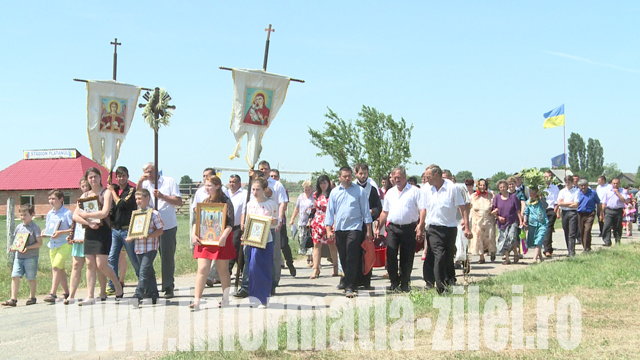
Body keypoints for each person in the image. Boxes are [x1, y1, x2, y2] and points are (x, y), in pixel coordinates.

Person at [73, 167, 123, 305]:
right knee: (90, 264)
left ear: (100, 177)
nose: (93, 180)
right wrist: (88, 223)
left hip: (103, 231)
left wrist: (87, 215)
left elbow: (104, 212)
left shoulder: (106, 193)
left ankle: (116, 284)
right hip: (90, 231)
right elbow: (75, 215)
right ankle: (90, 295)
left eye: (95, 176)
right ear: (87, 179)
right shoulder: (85, 196)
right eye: (90, 177)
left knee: (101, 264)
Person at [324, 166, 373, 297]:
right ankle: (350, 281)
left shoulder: (359, 191)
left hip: (355, 228)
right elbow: (329, 212)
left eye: (349, 176)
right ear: (339, 177)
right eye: (345, 176)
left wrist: (368, 230)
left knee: (352, 255)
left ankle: (350, 286)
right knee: (344, 256)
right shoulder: (334, 192)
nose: (347, 178)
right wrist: (328, 229)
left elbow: (366, 212)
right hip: (340, 229)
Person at [421, 165, 470, 293]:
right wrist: (420, 225)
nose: (426, 179)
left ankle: (450, 281)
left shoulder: (452, 188)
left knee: (448, 256)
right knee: (439, 255)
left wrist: (467, 226)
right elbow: (423, 209)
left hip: (449, 228)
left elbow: (462, 207)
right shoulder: (426, 189)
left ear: (437, 175)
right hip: (433, 228)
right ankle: (440, 287)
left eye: (428, 177)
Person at [190, 175, 236, 310]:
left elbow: (230, 223)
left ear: (217, 186)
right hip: (205, 240)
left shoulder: (226, 201)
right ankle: (197, 300)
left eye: (209, 185)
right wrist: (194, 234)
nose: (207, 188)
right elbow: (196, 222)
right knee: (202, 269)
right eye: (205, 185)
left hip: (221, 239)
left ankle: (226, 298)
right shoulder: (204, 201)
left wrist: (223, 237)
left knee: (223, 271)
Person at [377, 166, 425, 292]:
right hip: (393, 228)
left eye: (399, 177)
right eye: (394, 177)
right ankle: (394, 282)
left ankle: (405, 283)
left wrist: (421, 226)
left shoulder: (414, 191)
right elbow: (384, 212)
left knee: (407, 257)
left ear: (405, 177)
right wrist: (379, 227)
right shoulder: (390, 193)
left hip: (409, 228)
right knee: (391, 254)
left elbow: (422, 209)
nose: (397, 180)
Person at [138, 162, 182, 298]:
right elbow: (137, 198)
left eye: (150, 171)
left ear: (157, 170)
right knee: (146, 258)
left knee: (167, 258)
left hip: (167, 225)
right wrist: (140, 181)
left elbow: (179, 201)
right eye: (145, 172)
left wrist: (162, 196)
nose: (148, 175)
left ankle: (168, 286)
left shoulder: (169, 181)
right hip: (149, 227)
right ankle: (149, 288)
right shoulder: (144, 185)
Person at [66, 178, 107, 305]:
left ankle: (102, 292)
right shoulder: (82, 199)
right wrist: (71, 234)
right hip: (80, 236)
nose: (85, 188)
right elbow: (75, 217)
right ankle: (71, 295)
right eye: (82, 186)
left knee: (97, 266)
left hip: (94, 234)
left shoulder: (98, 197)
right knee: (76, 265)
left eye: (86, 185)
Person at [242, 177, 279, 308]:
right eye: (253, 189)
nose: (255, 192)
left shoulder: (271, 204)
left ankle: (263, 298)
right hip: (251, 241)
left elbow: (276, 222)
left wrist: (274, 221)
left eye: (258, 189)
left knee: (263, 269)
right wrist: (244, 236)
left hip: (265, 241)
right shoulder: (249, 204)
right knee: (252, 269)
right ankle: (254, 298)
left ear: (264, 190)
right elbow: (247, 222)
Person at [126, 189, 164, 306]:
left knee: (143, 271)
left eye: (140, 199)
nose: (137, 201)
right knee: (148, 271)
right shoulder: (136, 214)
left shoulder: (154, 213)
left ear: (147, 198)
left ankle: (138, 295)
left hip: (150, 247)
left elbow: (160, 230)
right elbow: (133, 230)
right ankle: (154, 294)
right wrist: (131, 236)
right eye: (136, 199)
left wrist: (149, 235)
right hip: (139, 247)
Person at [106, 166, 139, 296]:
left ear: (128, 176)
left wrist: (112, 193)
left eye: (123, 176)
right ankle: (113, 284)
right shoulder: (113, 189)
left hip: (127, 230)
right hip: (115, 230)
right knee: (112, 258)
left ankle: (143, 282)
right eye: (119, 176)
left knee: (133, 258)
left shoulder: (131, 190)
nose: (121, 178)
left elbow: (122, 204)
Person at [257, 160, 289, 294]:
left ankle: (274, 282)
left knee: (274, 253)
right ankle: (259, 281)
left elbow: (283, 203)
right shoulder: (255, 185)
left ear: (269, 170)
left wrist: (280, 219)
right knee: (258, 253)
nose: (263, 171)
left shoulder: (277, 185)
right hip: (258, 224)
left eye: (265, 169)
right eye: (261, 169)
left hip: (273, 223)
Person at [2, 204, 42, 307]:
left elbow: (39, 243)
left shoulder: (35, 228)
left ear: (32, 215)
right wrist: (13, 247)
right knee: (15, 276)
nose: (22, 217)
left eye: (25, 215)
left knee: (31, 277)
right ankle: (13, 299)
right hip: (18, 257)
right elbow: (17, 241)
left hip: (31, 257)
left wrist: (28, 248)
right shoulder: (19, 227)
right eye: (21, 215)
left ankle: (32, 297)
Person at [353, 163, 382, 290]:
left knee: (367, 253)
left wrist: (372, 212)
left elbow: (378, 207)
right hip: (353, 225)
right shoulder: (351, 188)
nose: (363, 176)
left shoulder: (372, 189)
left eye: (365, 173)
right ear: (356, 173)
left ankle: (366, 281)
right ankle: (352, 280)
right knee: (353, 254)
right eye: (361, 173)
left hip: (366, 226)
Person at [43, 189, 74, 303]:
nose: (51, 201)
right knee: (59, 269)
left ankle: (52, 293)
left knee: (55, 267)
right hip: (53, 244)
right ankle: (66, 292)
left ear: (61, 199)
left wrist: (61, 233)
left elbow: (73, 229)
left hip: (64, 244)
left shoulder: (67, 213)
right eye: (50, 198)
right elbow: (49, 228)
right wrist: (44, 232)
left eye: (54, 199)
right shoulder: (49, 214)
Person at [309, 174, 339, 278]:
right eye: (321, 183)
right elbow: (313, 208)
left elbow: (335, 210)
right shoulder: (316, 194)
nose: (323, 185)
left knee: (332, 245)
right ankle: (316, 269)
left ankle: (336, 267)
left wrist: (334, 223)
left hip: (329, 221)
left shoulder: (333, 194)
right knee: (316, 245)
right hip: (317, 222)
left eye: (325, 183)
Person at [269, 169, 296, 277]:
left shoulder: (281, 188)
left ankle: (290, 263)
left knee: (284, 245)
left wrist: (278, 218)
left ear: (279, 177)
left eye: (275, 176)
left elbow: (283, 204)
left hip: (280, 221)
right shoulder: (266, 188)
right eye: (271, 176)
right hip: (268, 221)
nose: (273, 178)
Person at [491, 179, 523, 265]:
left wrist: (521, 221)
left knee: (511, 237)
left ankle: (515, 252)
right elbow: (493, 210)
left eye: (504, 187)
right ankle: (508, 258)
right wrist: (498, 217)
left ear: (507, 187)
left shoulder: (513, 197)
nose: (503, 188)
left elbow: (518, 210)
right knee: (504, 240)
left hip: (513, 221)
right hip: (502, 222)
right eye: (501, 187)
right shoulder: (497, 198)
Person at [468, 179, 496, 263]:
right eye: (480, 185)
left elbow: (495, 206)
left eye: (484, 185)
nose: (482, 187)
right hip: (477, 221)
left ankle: (492, 252)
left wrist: (495, 211)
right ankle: (481, 257)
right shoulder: (473, 196)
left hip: (488, 220)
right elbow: (469, 207)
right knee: (478, 238)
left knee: (490, 237)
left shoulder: (491, 195)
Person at [289, 180, 315, 267]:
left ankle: (311, 258)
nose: (306, 191)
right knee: (302, 239)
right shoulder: (300, 197)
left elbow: (315, 210)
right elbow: (296, 208)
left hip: (311, 222)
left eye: (308, 189)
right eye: (305, 189)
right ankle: (307, 255)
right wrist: (292, 219)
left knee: (310, 240)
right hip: (301, 221)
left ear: (311, 188)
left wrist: (310, 221)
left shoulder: (314, 197)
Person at [600, 178, 629, 246]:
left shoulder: (623, 191)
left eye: (617, 183)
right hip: (609, 210)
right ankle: (607, 241)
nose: (615, 185)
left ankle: (617, 241)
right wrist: (602, 213)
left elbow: (624, 200)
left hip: (618, 211)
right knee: (607, 226)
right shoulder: (608, 191)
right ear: (611, 184)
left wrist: (617, 192)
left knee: (618, 227)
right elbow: (604, 203)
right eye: (614, 183)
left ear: (619, 184)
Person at [227, 174, 246, 275]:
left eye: (234, 182)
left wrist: (243, 224)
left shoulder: (244, 194)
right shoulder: (226, 193)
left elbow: (244, 210)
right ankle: (243, 268)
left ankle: (228, 270)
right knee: (238, 250)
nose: (231, 184)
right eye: (230, 182)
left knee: (234, 246)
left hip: (238, 226)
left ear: (239, 183)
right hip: (226, 226)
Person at [524, 188, 548, 263]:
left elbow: (546, 205)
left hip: (542, 223)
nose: (532, 195)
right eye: (531, 193)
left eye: (534, 193)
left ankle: (534, 258)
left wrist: (541, 198)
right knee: (535, 241)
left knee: (539, 239)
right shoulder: (528, 202)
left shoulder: (541, 201)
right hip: (532, 225)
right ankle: (540, 256)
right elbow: (526, 212)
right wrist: (525, 220)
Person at [557, 176, 580, 256]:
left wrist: (565, 204)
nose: (567, 183)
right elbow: (559, 203)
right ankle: (569, 248)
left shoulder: (576, 191)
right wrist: (570, 203)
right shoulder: (562, 191)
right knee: (566, 231)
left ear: (572, 182)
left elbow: (576, 204)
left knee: (572, 232)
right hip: (564, 213)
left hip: (573, 213)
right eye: (566, 182)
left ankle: (572, 251)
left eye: (569, 182)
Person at [577, 179, 600, 252]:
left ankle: (586, 248)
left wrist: (601, 213)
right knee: (582, 230)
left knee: (587, 229)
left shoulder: (593, 193)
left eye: (584, 185)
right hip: (580, 213)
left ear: (587, 185)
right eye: (581, 186)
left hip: (590, 213)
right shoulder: (577, 193)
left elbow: (598, 203)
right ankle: (586, 246)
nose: (583, 187)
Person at [543, 171, 560, 258]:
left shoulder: (555, 188)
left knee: (549, 229)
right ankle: (548, 247)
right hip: (542, 210)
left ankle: (547, 249)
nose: (547, 178)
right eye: (545, 176)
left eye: (549, 176)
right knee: (543, 229)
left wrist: (555, 211)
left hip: (551, 210)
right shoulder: (540, 187)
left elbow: (557, 201)